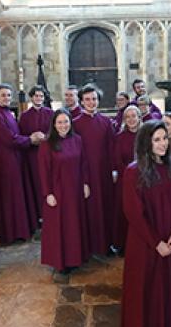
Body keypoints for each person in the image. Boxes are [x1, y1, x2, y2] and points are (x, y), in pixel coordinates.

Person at [120, 120, 171, 327]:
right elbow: (133, 213)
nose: (163, 143)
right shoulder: (133, 171)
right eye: (157, 139)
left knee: (163, 290)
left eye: (165, 138)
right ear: (146, 142)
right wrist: (156, 243)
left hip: (169, 238)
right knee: (143, 291)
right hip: (144, 242)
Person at [38, 109, 91, 276]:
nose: (63, 125)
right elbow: (43, 171)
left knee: (74, 225)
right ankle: (61, 261)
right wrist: (48, 194)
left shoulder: (77, 140)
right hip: (58, 192)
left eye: (66, 122)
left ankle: (75, 258)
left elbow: (84, 163)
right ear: (54, 124)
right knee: (60, 227)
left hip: (75, 189)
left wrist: (85, 183)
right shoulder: (47, 144)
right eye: (60, 122)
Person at [0, 84, 44, 244]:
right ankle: (12, 232)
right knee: (11, 196)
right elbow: (8, 139)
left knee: (19, 194)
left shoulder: (9, 113)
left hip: (17, 158)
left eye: (8, 95)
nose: (6, 98)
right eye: (3, 95)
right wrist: (30, 139)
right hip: (7, 161)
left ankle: (22, 229)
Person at [73, 84, 116, 255]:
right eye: (87, 99)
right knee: (88, 210)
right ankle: (88, 246)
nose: (91, 102)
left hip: (104, 173)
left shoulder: (105, 122)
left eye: (94, 99)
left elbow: (112, 147)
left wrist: (113, 169)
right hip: (85, 174)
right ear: (82, 102)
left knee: (105, 208)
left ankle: (105, 244)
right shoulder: (75, 123)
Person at [19, 85, 54, 224]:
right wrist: (32, 138)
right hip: (32, 154)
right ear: (31, 97)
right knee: (36, 183)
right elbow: (21, 134)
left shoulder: (51, 113)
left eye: (41, 96)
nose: (38, 98)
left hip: (48, 153)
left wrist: (45, 137)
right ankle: (39, 215)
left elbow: (55, 131)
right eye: (36, 96)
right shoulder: (25, 116)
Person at [112, 105, 141, 253]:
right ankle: (123, 245)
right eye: (127, 117)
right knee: (125, 212)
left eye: (133, 116)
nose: (131, 119)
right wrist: (130, 176)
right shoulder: (119, 137)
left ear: (139, 117)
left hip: (144, 181)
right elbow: (117, 160)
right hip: (125, 180)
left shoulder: (145, 135)